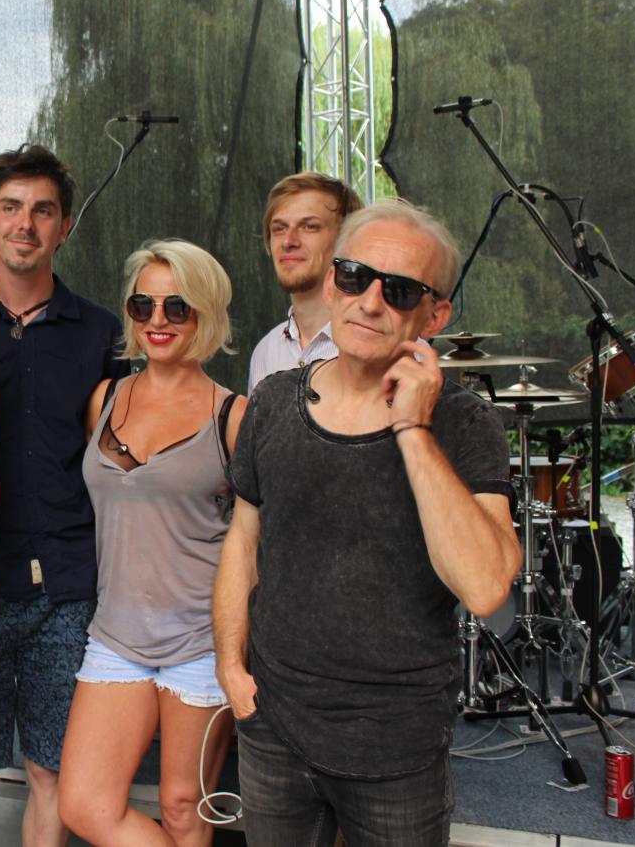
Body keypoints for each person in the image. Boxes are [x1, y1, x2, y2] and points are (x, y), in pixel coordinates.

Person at [213, 199, 521, 846]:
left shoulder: (464, 423)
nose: (371, 301)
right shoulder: (273, 401)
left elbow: (485, 587)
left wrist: (412, 426)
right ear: (332, 282)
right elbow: (242, 542)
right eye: (355, 276)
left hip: (396, 745)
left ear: (435, 315)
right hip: (273, 727)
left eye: (400, 289)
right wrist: (231, 671)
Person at [0, 145, 127, 846]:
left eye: (43, 211)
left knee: (52, 771)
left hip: (69, 592)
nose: (26, 224)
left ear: (64, 226)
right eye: (11, 208)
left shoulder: (103, 333)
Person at [58, 239, 245, 847]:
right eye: (143, 305)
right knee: (84, 804)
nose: (157, 320)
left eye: (177, 307)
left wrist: (239, 652)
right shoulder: (105, 398)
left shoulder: (234, 416)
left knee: (184, 808)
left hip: (200, 640)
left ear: (206, 314)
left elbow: (254, 543)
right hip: (116, 636)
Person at [246, 172, 363, 392]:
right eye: (279, 228)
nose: (288, 241)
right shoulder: (266, 353)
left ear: (348, 239)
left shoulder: (384, 347)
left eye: (309, 226)